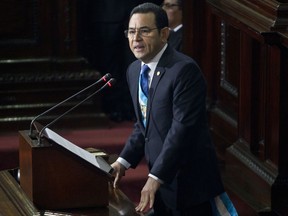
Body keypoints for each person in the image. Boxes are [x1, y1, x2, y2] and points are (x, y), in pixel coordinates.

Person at [111, 3, 228, 216]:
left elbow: (182, 130)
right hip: (161, 182)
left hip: (189, 184)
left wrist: (156, 177)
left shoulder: (183, 70)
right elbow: (143, 123)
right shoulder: (134, 70)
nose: (136, 38)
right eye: (131, 31)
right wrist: (123, 162)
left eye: (144, 31)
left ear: (164, 34)